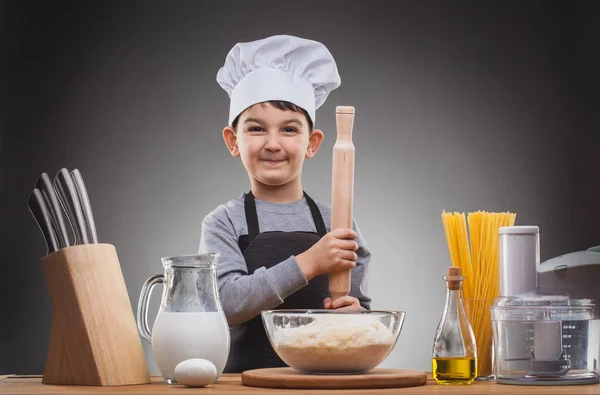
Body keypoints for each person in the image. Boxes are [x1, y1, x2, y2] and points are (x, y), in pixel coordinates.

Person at [198, 34, 372, 373]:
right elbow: (225, 304)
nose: (273, 143)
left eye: (290, 129)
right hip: (245, 384)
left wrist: (357, 317)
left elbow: (363, 312)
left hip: (326, 382)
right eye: (257, 129)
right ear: (234, 141)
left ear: (313, 142)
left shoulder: (340, 223)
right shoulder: (223, 223)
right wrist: (309, 262)